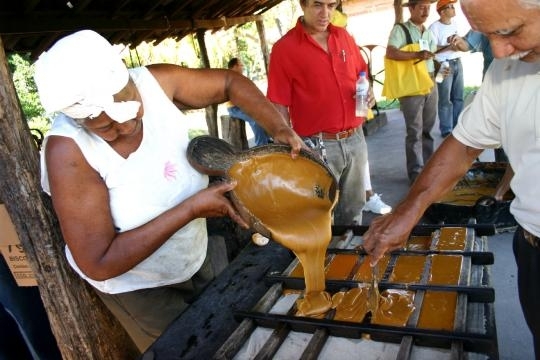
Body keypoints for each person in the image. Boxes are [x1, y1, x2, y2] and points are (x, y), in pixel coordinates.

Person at [33, 29, 304, 352]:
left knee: (230, 327)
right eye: (105, 127)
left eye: (129, 109)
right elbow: (98, 260)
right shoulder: (68, 152)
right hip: (141, 286)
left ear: (130, 80)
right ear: (79, 121)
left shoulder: (156, 82)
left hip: (192, 250)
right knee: (191, 348)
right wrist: (190, 209)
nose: (123, 127)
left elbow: (230, 83)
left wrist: (278, 127)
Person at [363, 0, 540, 357]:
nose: (497, 49)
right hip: (532, 247)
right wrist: (408, 211)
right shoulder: (508, 67)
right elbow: (464, 143)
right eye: (486, 34)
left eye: (510, 31)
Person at [267, 0, 373, 225]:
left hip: (355, 138)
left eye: (331, 5)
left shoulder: (343, 36)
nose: (325, 13)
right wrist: (290, 143)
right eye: (318, 5)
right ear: (303, 4)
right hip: (317, 145)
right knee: (321, 213)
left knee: (354, 208)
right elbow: (278, 102)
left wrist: (369, 91)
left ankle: (350, 255)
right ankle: (323, 259)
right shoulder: (284, 48)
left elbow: (362, 72)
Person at [329, 9, 393, 216]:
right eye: (341, 27)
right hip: (327, 129)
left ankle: (367, 195)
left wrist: (369, 91)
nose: (344, 31)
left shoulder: (347, 42)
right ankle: (361, 198)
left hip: (353, 121)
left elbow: (360, 72)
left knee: (360, 161)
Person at [385, 0, 438, 185]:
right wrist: (416, 55)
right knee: (414, 131)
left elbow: (432, 56)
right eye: (422, 7)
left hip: (430, 82)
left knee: (428, 130)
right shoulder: (401, 30)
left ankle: (429, 169)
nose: (426, 11)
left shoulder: (428, 31)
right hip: (412, 86)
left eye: (428, 7)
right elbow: (391, 52)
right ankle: (416, 174)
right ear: (412, 8)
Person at [429, 0, 465, 138]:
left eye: (453, 6)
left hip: (457, 62)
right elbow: (431, 49)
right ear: (442, 11)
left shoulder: (454, 24)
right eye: (450, 7)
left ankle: (458, 127)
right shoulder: (434, 28)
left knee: (458, 97)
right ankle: (446, 129)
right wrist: (448, 47)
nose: (453, 8)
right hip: (443, 65)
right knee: (445, 99)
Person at [226, 58, 270, 147]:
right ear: (235, 66)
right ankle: (261, 145)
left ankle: (266, 140)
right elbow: (236, 96)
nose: (242, 67)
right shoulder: (229, 78)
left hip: (242, 105)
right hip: (234, 108)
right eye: (241, 65)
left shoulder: (238, 77)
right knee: (254, 119)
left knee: (263, 113)